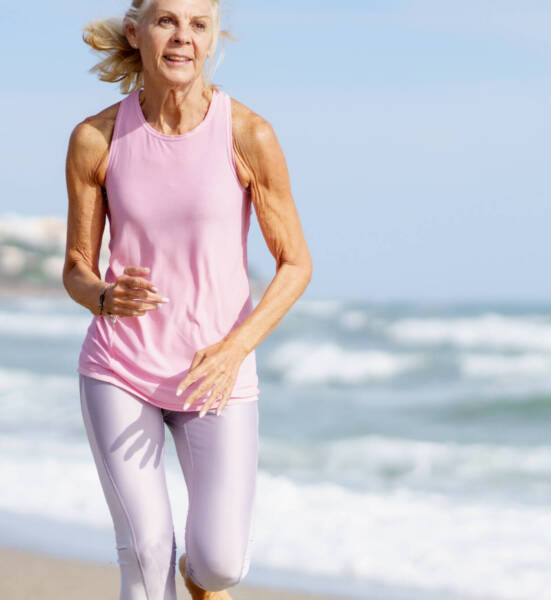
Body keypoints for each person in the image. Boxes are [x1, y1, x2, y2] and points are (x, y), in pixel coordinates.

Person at [62, 0, 313, 597]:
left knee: (220, 563)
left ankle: (199, 582)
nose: (183, 38)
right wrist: (101, 297)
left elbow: (296, 264)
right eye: (167, 20)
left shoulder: (248, 133)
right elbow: (75, 268)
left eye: (198, 24)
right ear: (136, 31)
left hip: (215, 373)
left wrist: (234, 350)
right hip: (120, 367)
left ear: (212, 37)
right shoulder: (95, 138)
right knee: (147, 553)